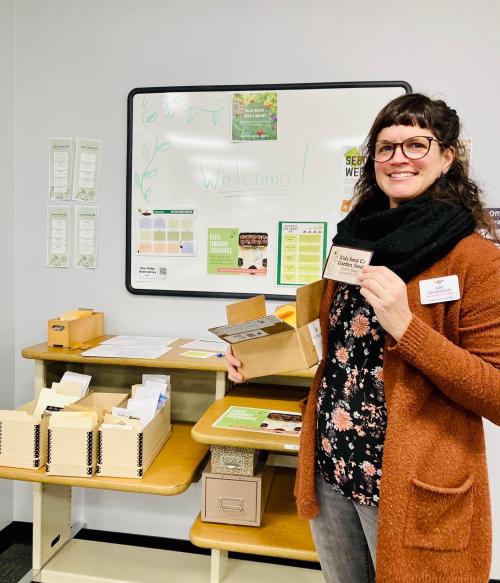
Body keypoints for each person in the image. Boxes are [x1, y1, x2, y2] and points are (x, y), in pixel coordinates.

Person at [226, 93, 500, 583]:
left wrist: (408, 328)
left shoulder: (475, 258)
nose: (398, 158)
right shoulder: (354, 238)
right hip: (332, 467)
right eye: (385, 147)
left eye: (416, 144)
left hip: (412, 486)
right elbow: (342, 348)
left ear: (447, 156)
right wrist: (262, 355)